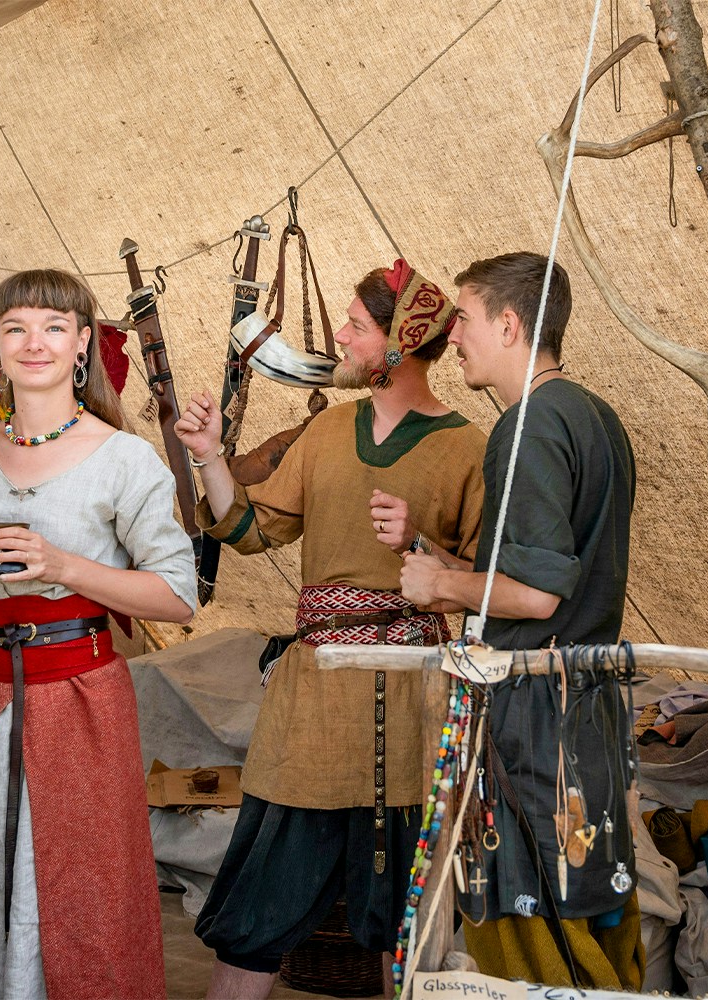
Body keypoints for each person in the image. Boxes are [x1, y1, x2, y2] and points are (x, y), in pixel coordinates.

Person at [175, 260, 487, 998]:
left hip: (410, 703)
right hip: (313, 699)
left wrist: (419, 544)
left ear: (400, 344)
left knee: (406, 917)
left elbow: (484, 582)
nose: (340, 337)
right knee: (257, 909)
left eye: (355, 326)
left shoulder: (468, 449)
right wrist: (210, 457)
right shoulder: (328, 428)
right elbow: (252, 529)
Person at [0, 269, 198, 1000]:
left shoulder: (125, 457)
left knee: (78, 877)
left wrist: (64, 565)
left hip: (78, 700)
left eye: (54, 327)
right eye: (17, 328)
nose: (35, 342)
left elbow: (177, 596)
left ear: (82, 345)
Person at [399, 251, 641, 989]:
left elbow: (535, 598)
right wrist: (446, 567)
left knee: (532, 924)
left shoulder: (528, 426)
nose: (453, 335)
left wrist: (441, 582)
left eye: (465, 318)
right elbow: (555, 575)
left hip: (535, 719)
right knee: (590, 904)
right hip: (584, 708)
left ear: (508, 324)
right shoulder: (595, 416)